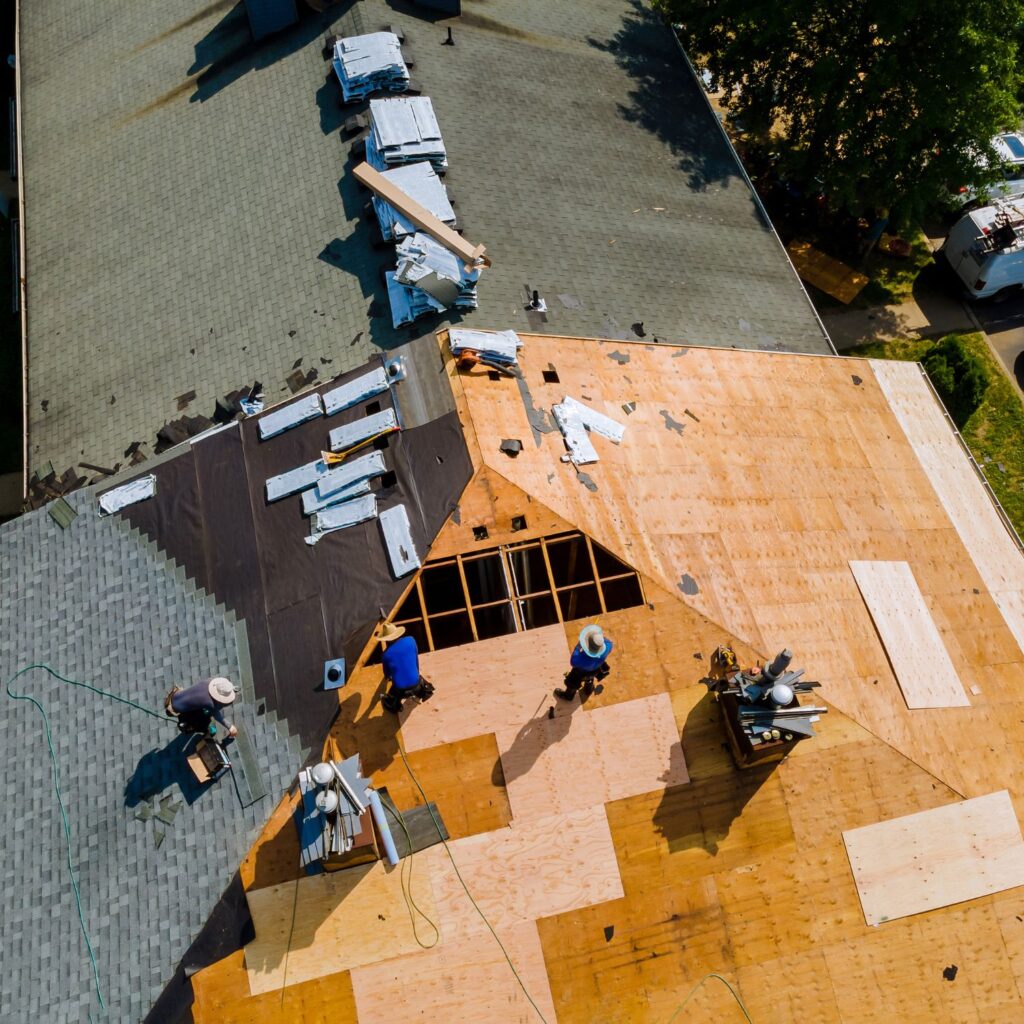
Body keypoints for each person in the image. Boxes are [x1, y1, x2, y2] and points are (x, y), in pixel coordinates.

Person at [377, 622, 434, 713]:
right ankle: (424, 691)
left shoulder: (386, 654)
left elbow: (387, 675)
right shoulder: (411, 640)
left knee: (392, 696)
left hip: (401, 691)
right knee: (418, 678)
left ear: (386, 639)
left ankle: (394, 705)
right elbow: (415, 657)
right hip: (417, 685)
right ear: (397, 633)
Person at [165, 676, 239, 738]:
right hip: (176, 709)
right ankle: (206, 729)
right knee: (201, 722)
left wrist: (231, 689)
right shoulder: (209, 703)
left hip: (175, 696)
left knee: (203, 709)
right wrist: (230, 727)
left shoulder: (210, 681)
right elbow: (217, 715)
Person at [554, 624, 613, 702]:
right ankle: (588, 690)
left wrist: (578, 647)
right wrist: (597, 639)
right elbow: (607, 641)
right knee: (590, 679)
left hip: (580, 673)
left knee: (573, 683)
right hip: (596, 669)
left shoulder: (581, 659)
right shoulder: (608, 646)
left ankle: (568, 696)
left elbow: (573, 662)